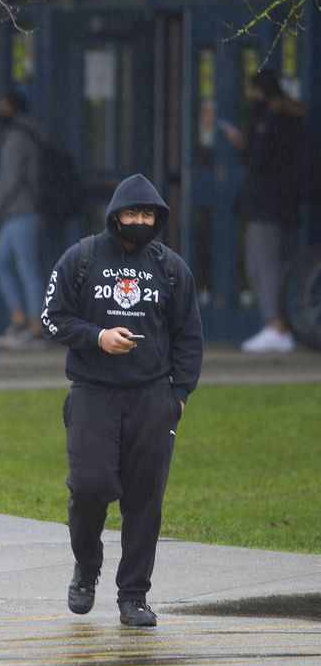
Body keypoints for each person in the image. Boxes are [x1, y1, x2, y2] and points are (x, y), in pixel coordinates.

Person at [41, 173, 204, 627]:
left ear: (158, 219)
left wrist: (179, 395)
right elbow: (52, 319)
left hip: (153, 397)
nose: (139, 221)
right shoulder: (82, 258)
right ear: (115, 217)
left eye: (147, 214)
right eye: (131, 213)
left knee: (144, 500)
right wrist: (97, 337)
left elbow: (189, 335)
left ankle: (134, 595)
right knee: (89, 487)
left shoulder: (171, 268)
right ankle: (86, 567)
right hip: (93, 393)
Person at [221, 69, 307, 353]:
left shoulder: (270, 120)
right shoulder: (293, 120)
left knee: (262, 265)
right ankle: (282, 324)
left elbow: (261, 158)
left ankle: (277, 326)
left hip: (267, 205)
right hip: (286, 204)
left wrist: (246, 143)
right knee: (273, 266)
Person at [0, 93, 47, 349]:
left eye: (2, 106)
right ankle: (20, 319)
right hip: (19, 213)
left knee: (26, 268)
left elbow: (11, 178)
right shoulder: (31, 133)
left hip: (22, 211)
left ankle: (35, 326)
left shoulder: (18, 137)